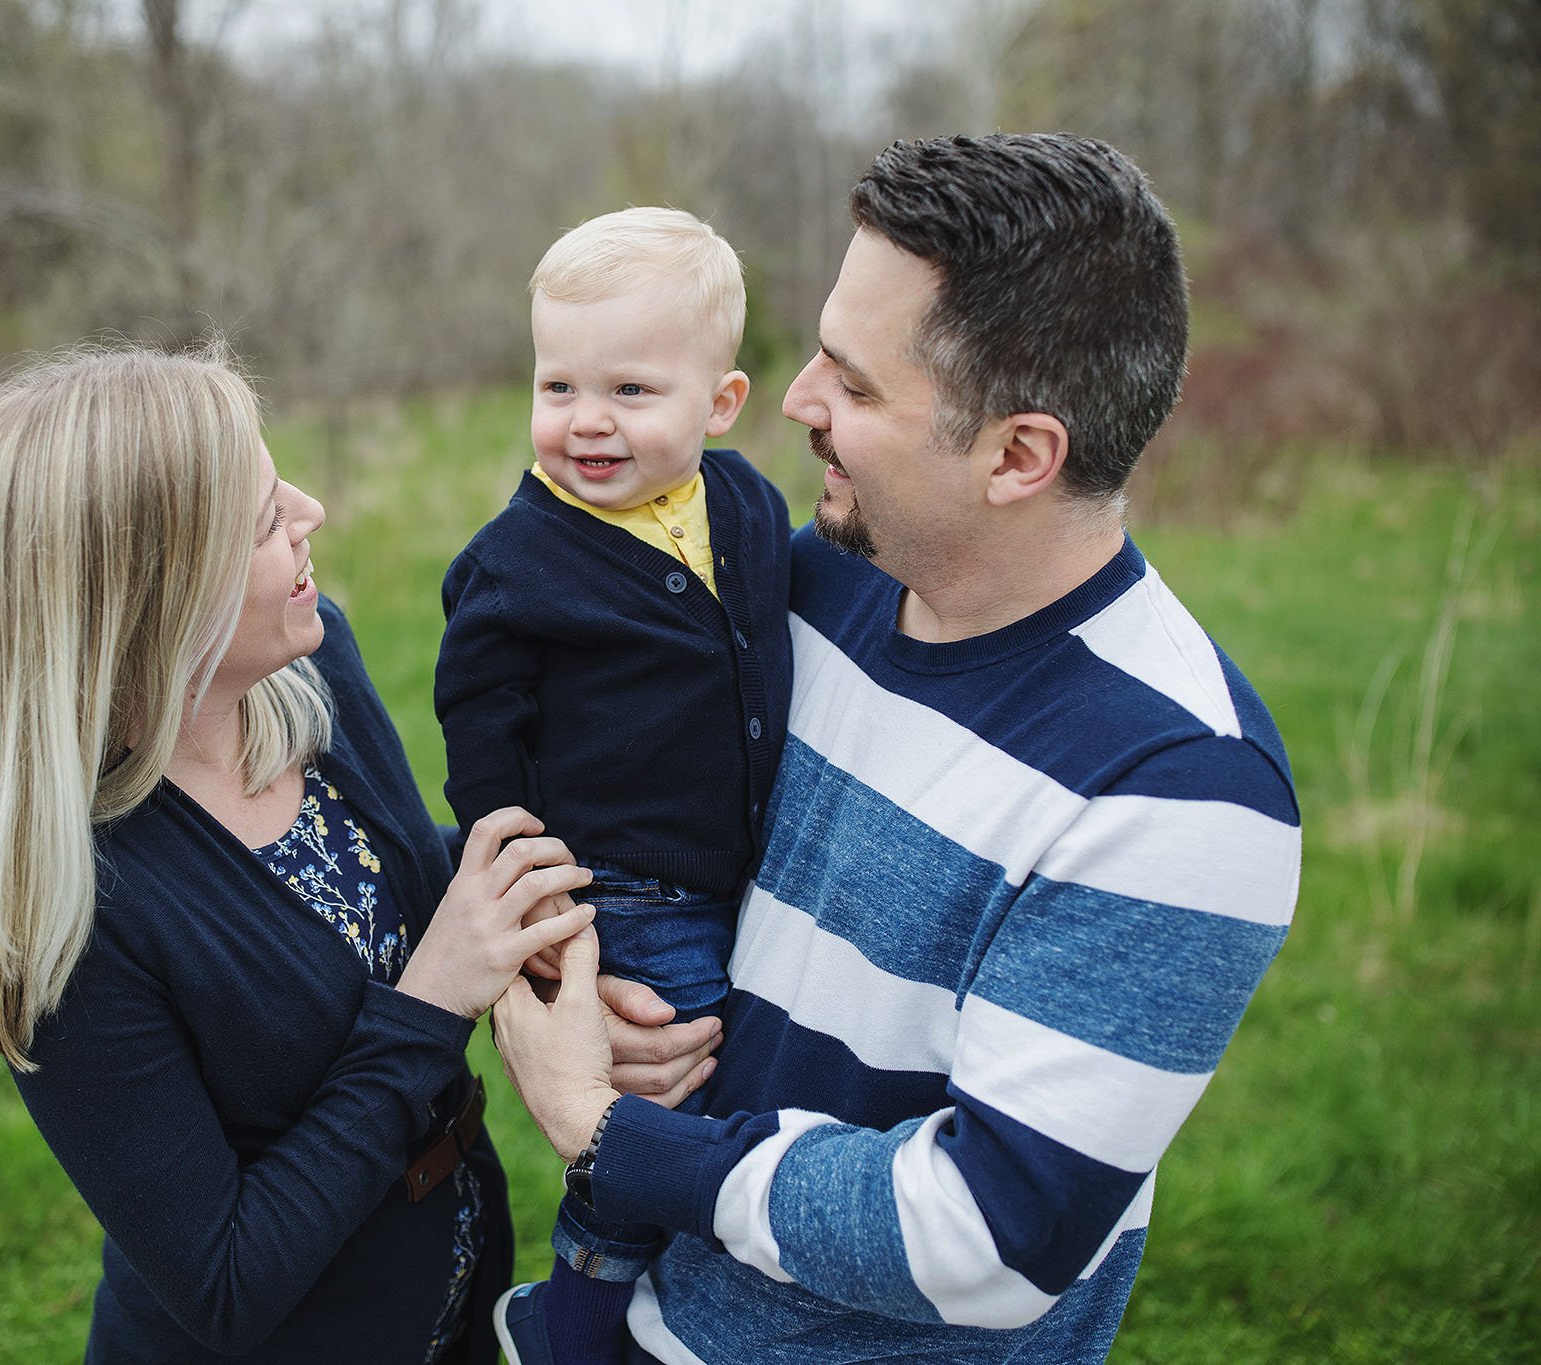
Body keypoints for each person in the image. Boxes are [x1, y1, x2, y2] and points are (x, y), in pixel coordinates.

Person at [492, 133, 1302, 1364]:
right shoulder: (796, 588)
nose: (797, 399)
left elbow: (984, 1237)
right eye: (820, 349)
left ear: (1017, 456)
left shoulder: (1177, 783)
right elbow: (620, 807)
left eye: (856, 386)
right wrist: (593, 989)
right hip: (633, 1326)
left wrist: (598, 1124)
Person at [0, 344, 607, 1363]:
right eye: (263, 518)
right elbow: (227, 1280)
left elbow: (376, 890)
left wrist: (535, 904)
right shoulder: (66, 914)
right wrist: (436, 994)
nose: (309, 511)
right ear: (148, 595)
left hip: (454, 1295)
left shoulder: (310, 675)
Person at [432, 208, 792, 1365]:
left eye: (630, 391)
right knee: (657, 1100)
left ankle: (695, 1275)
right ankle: (575, 1312)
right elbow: (482, 750)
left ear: (717, 405)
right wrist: (529, 919)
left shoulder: (743, 508)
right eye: (557, 387)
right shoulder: (514, 567)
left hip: (746, 859)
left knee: (750, 1069)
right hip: (622, 887)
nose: (585, 421)